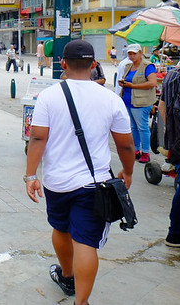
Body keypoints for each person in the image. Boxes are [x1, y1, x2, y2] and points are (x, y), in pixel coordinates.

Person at [25, 39, 134, 305]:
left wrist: (30, 176)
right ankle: (81, 302)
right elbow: (126, 144)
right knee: (85, 241)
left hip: (56, 182)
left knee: (60, 229)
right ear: (94, 65)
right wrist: (128, 172)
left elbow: (37, 139)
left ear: (63, 64)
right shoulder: (110, 99)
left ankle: (67, 275)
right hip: (93, 183)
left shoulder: (49, 96)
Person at [118, 43, 157, 164]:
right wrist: (123, 84)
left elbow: (152, 83)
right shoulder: (128, 66)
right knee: (133, 127)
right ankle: (136, 150)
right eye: (130, 53)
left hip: (141, 102)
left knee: (142, 127)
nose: (132, 56)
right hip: (129, 100)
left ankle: (145, 152)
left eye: (134, 53)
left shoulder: (147, 66)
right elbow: (127, 80)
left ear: (140, 53)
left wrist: (133, 86)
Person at [156, 61, 180, 248]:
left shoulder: (171, 76)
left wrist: (173, 132)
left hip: (176, 141)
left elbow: (162, 107)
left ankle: (175, 234)